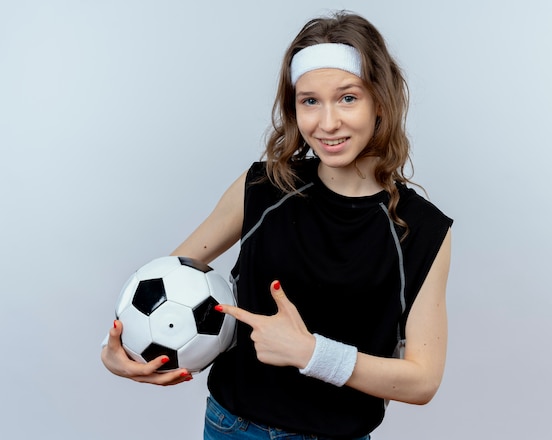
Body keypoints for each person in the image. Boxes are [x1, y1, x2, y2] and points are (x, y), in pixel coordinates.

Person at [101, 10, 453, 440]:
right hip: (231, 426)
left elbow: (423, 380)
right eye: (309, 101)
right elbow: (168, 279)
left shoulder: (421, 229)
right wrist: (116, 348)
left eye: (347, 98)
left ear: (380, 101)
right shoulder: (262, 187)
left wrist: (311, 353)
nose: (327, 123)